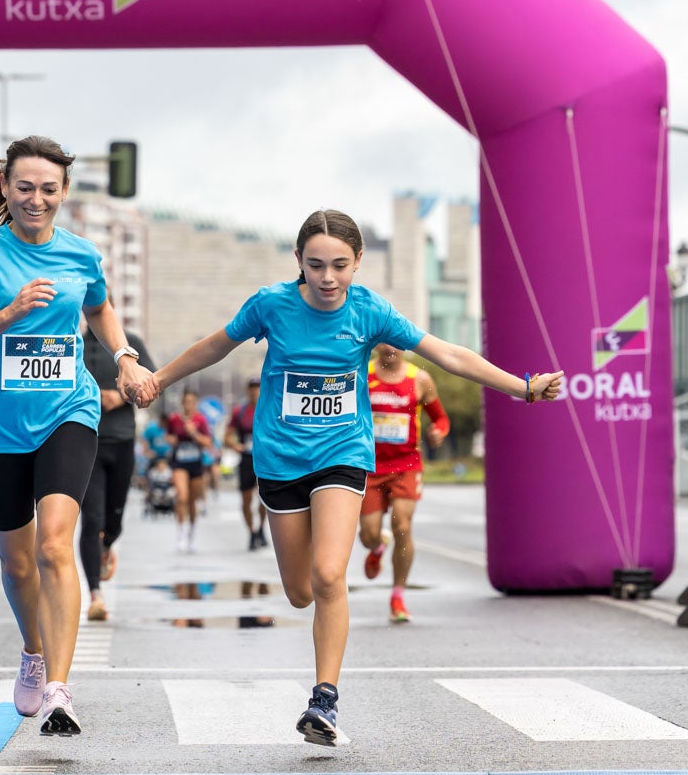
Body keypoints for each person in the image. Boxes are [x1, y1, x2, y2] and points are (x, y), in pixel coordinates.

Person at [122, 208, 562, 747]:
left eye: (339, 266)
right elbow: (216, 345)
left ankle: (324, 701)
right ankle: (317, 650)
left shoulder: (369, 310)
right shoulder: (272, 306)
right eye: (315, 265)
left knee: (331, 576)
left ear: (358, 263)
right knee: (301, 591)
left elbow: (446, 353)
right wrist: (158, 379)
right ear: (298, 264)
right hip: (281, 461)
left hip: (342, 453)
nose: (327, 278)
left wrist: (521, 387)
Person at [0, 134, 155, 736]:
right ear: (6, 189)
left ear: (64, 194)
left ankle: (59, 687)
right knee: (17, 563)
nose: (37, 199)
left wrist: (124, 356)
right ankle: (34, 652)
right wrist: (8, 313)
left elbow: (101, 307)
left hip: (68, 412)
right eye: (26, 187)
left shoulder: (81, 254)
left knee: (56, 545)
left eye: (49, 190)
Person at [357, 343, 450, 623]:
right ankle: (377, 547)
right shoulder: (363, 373)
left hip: (406, 465)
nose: (390, 348)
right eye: (384, 342)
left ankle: (398, 595)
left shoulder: (420, 379)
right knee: (368, 533)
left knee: (402, 526)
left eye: (396, 342)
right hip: (370, 467)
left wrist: (438, 431)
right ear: (376, 346)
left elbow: (441, 419)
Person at [79, 308, 155, 621]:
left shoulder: (131, 343)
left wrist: (118, 397)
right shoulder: (72, 344)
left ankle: (108, 543)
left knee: (115, 518)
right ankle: (95, 595)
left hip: (122, 441)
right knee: (91, 518)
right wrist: (91, 396)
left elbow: (152, 382)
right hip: (86, 441)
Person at [167, 389, 215, 553]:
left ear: (196, 403)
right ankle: (180, 534)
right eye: (186, 402)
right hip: (179, 462)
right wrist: (172, 440)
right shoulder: (174, 419)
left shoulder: (200, 420)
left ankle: (191, 534)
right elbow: (169, 436)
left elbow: (208, 442)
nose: (188, 405)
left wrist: (194, 433)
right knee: (182, 497)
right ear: (182, 403)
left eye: (191, 402)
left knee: (193, 502)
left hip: (195, 463)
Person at [225, 377, 269, 551]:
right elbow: (227, 437)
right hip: (246, 459)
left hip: (265, 458)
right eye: (251, 388)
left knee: (264, 498)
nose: (254, 392)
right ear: (247, 391)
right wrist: (235, 445)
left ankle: (261, 529)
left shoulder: (268, 408)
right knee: (245, 500)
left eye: (257, 388)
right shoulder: (240, 412)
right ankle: (251, 532)